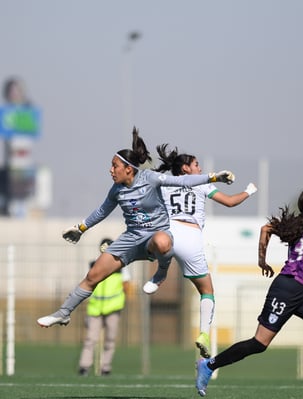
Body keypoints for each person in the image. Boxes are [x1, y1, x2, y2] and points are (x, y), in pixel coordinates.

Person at [37, 127, 235, 328]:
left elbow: (182, 180)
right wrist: (80, 228)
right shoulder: (116, 190)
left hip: (154, 237)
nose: (110, 170)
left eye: (114, 166)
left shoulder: (150, 178)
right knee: (93, 276)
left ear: (128, 169)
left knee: (163, 240)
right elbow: (102, 211)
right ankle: (63, 313)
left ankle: (161, 273)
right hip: (131, 239)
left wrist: (214, 177)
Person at [196, 187, 303, 399]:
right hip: (287, 290)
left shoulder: (293, 223)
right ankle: (208, 365)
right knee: (259, 343)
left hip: (301, 293)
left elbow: (265, 228)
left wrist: (262, 260)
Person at [143, 144, 258, 358]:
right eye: (196, 164)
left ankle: (158, 270)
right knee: (206, 290)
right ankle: (204, 333)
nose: (200, 168)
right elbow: (231, 202)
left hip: (169, 232)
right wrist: (249, 191)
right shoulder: (202, 185)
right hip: (191, 238)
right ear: (185, 169)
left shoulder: (165, 185)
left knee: (154, 245)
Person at [78, 238, 131, 376]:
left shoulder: (121, 266)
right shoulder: (93, 264)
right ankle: (84, 366)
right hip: (95, 308)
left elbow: (126, 285)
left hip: (113, 307)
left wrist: (125, 298)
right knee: (91, 339)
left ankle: (105, 367)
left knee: (110, 339)